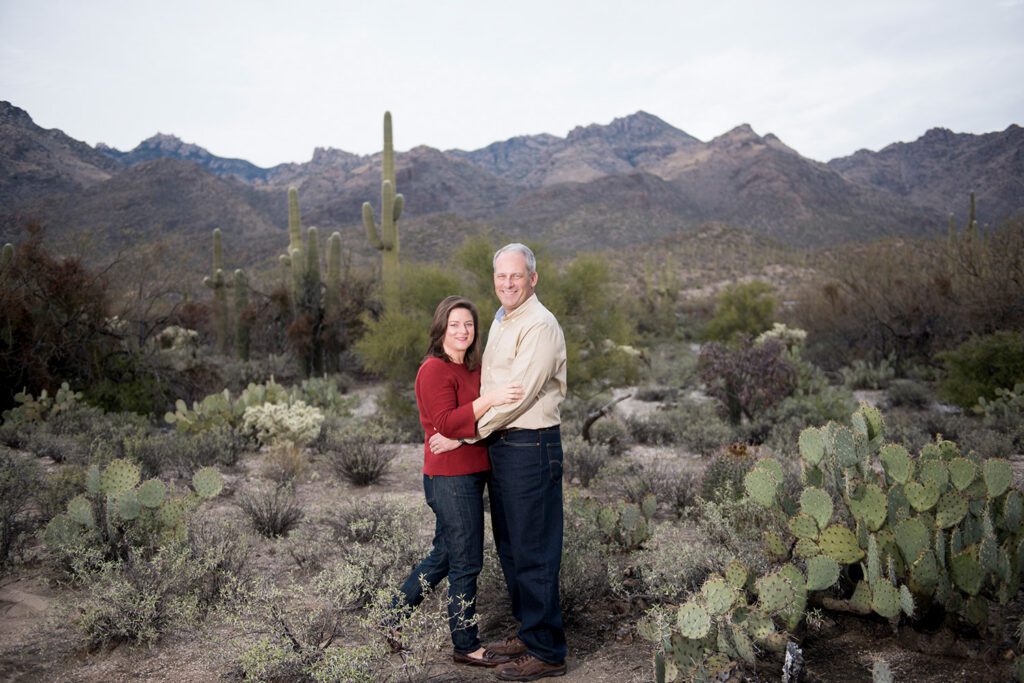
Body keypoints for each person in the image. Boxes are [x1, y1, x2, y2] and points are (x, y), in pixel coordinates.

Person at [430, 243, 568, 681]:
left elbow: (519, 396)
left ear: (533, 278)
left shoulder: (541, 326)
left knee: (534, 549)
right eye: (501, 277)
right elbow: (492, 387)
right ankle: (530, 634)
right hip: (504, 449)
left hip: (531, 445)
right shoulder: (502, 317)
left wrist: (463, 434)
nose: (508, 284)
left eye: (516, 276)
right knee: (511, 549)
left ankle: (548, 651)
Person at [393, 295, 524, 668]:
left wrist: (463, 431)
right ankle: (465, 645)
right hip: (449, 476)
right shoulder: (434, 370)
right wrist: (488, 402)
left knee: (446, 554)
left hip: (472, 469)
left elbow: (472, 423)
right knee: (466, 562)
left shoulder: (473, 367)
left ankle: (391, 617)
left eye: (468, 324)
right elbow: (448, 422)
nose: (463, 331)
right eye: (455, 325)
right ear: (441, 329)